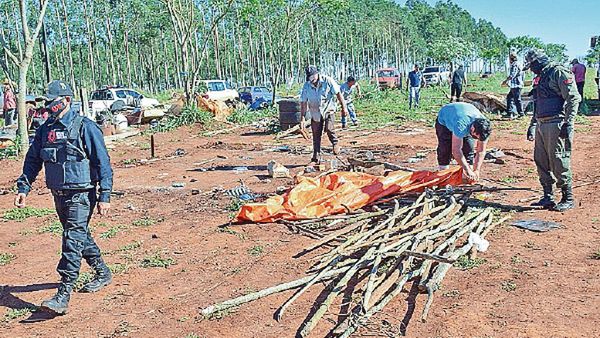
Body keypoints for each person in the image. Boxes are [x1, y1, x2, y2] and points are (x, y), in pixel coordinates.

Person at [14, 80, 114, 315]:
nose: (48, 107)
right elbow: (32, 161)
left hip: (81, 194)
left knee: (71, 239)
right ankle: (102, 271)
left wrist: (105, 195)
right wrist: (23, 188)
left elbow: (103, 163)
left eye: (52, 102)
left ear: (66, 100)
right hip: (58, 193)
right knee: (79, 236)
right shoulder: (45, 130)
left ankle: (63, 293)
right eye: (46, 103)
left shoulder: (85, 127)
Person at [524, 49, 581, 212]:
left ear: (538, 61)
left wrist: (568, 123)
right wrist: (532, 124)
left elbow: (573, 98)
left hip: (556, 123)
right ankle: (548, 196)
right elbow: (538, 102)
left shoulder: (558, 72)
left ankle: (567, 197)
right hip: (542, 124)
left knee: (558, 160)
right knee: (541, 160)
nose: (530, 69)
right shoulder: (540, 75)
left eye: (531, 65)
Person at [300, 66, 348, 165]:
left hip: (328, 110)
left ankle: (335, 143)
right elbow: (304, 103)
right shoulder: (306, 86)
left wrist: (344, 108)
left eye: (312, 77)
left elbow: (338, 93)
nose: (311, 80)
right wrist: (302, 119)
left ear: (317, 74)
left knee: (329, 128)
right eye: (309, 78)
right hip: (315, 113)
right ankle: (316, 157)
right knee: (316, 134)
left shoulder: (328, 81)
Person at [435, 102, 492, 182]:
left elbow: (481, 151)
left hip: (465, 114)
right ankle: (443, 174)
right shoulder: (461, 125)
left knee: (469, 148)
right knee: (445, 147)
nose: (476, 138)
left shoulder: (485, 128)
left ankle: (465, 175)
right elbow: (456, 150)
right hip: (445, 120)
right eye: (475, 136)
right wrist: (468, 170)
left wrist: (476, 170)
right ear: (472, 129)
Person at [502, 53, 524, 118]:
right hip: (515, 85)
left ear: (511, 59)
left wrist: (505, 81)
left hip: (516, 85)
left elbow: (512, 75)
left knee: (517, 99)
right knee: (509, 98)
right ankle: (510, 113)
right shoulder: (518, 64)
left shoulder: (515, 65)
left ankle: (521, 113)